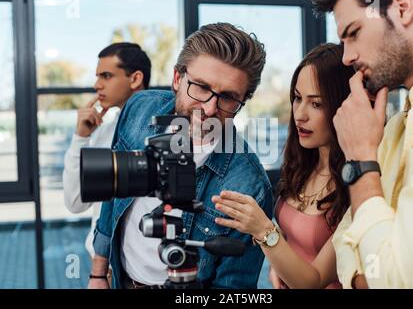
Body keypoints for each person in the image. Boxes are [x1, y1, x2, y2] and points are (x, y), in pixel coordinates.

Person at [88, 23, 273, 289]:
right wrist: (98, 272)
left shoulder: (249, 185)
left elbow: (233, 287)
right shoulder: (139, 108)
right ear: (177, 79)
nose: (209, 109)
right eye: (200, 87)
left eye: (229, 98)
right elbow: (112, 192)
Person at [308, 0, 413, 288]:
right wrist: (369, 277)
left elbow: (393, 282)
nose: (347, 57)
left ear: (401, 8)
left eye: (354, 32)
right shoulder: (394, 126)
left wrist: (360, 158)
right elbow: (347, 242)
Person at [213, 43, 355, 289]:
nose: (300, 114)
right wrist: (281, 265)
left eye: (317, 104)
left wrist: (264, 231)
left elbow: (314, 281)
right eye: (298, 98)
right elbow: (290, 251)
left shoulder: (358, 181)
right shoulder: (303, 166)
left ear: (343, 105)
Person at [63, 42, 151, 258]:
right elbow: (75, 202)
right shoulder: (104, 133)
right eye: (97, 76)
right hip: (103, 268)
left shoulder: (162, 134)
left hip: (142, 272)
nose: (97, 85)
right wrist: (81, 138)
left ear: (135, 78)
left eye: (106, 76)